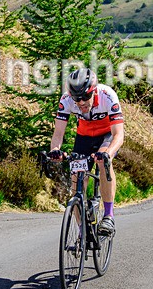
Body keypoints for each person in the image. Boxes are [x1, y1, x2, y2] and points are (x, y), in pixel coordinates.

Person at [49, 68, 124, 236]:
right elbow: (58, 134)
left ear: (94, 90)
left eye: (85, 97)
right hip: (84, 137)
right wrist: (55, 150)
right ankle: (83, 230)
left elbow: (119, 135)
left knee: (103, 162)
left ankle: (108, 216)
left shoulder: (108, 95)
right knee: (76, 181)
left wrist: (108, 154)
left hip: (106, 136)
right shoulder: (66, 100)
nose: (81, 102)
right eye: (77, 98)